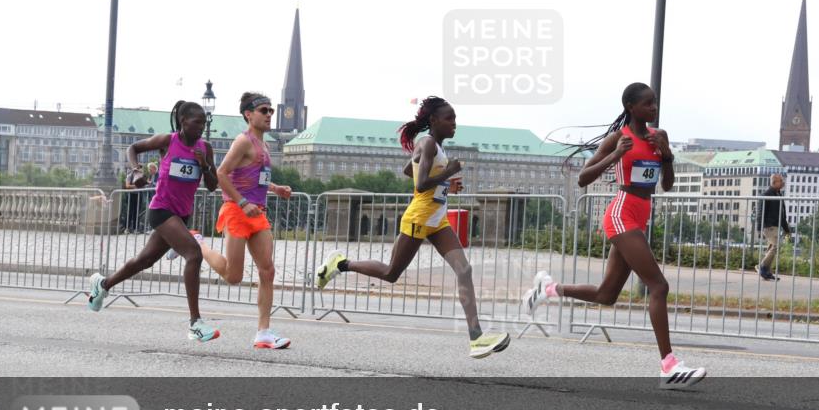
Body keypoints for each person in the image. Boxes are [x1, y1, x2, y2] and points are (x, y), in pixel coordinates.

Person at [521, 83, 705, 389]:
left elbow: (667, 185)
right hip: (621, 214)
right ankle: (669, 366)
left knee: (607, 295)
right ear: (631, 107)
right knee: (658, 286)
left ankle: (548, 289)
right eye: (648, 104)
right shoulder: (618, 139)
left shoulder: (659, 136)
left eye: (655, 103)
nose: (654, 108)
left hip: (640, 215)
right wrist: (615, 155)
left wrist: (668, 155)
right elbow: (582, 178)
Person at [314, 96, 510, 359]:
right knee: (391, 273)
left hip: (437, 221)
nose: (455, 123)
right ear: (434, 120)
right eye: (449, 118)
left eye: (455, 118)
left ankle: (476, 337)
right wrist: (448, 172)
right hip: (419, 219)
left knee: (464, 270)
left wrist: (445, 185)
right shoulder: (428, 143)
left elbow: (410, 170)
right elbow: (419, 184)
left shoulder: (433, 146)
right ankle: (341, 264)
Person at [86, 100, 221, 343]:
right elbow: (133, 148)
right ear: (183, 122)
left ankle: (103, 284)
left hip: (181, 215)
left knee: (144, 261)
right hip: (161, 210)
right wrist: (137, 170)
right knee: (193, 253)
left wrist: (205, 165)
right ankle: (195, 323)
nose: (201, 127)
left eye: (204, 122)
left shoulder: (205, 148)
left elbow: (212, 186)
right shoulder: (168, 141)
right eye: (197, 122)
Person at [195, 92, 294, 349]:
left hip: (257, 213)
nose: (269, 114)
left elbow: (254, 177)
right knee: (233, 276)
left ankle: (264, 332)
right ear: (249, 115)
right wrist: (242, 202)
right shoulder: (243, 141)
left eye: (271, 110)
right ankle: (199, 245)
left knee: (267, 270)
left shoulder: (266, 145)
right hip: (237, 211)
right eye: (264, 110)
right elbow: (221, 174)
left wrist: (275, 188)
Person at [755, 174, 792, 281]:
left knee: (771, 248)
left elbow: (782, 214)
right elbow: (760, 212)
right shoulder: (766, 195)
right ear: (774, 182)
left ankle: (766, 272)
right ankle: (762, 267)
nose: (783, 183)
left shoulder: (778, 195)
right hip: (769, 226)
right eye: (781, 181)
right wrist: (759, 228)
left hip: (775, 226)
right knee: (775, 247)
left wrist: (786, 229)